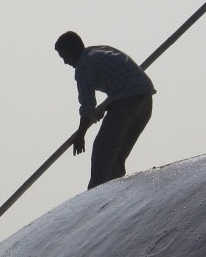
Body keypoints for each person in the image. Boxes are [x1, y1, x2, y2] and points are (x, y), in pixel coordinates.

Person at [54, 31, 156, 189]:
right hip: (145, 100)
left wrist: (81, 135)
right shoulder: (99, 51)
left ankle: (96, 195)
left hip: (127, 101)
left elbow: (87, 105)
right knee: (117, 156)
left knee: (103, 150)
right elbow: (122, 81)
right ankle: (114, 193)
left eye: (64, 56)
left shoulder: (84, 65)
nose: (65, 62)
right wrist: (107, 107)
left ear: (72, 50)